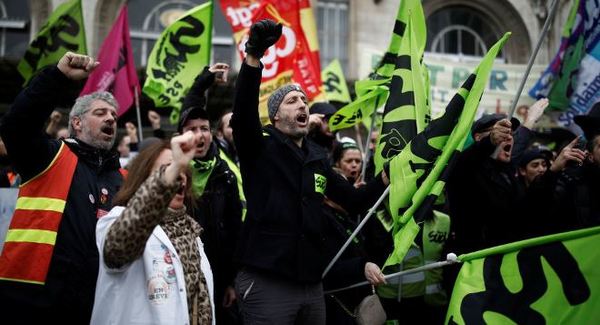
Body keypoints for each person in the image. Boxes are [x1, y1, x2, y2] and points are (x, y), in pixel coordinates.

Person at [231, 19, 389, 324]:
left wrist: (387, 177)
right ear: (276, 116)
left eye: (304, 99)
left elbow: (353, 201)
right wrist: (253, 57)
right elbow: (243, 116)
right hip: (268, 282)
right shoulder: (261, 147)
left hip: (311, 285)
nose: (302, 104)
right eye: (292, 101)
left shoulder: (316, 158)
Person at [0, 52, 125, 323]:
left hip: (97, 303)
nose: (111, 119)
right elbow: (16, 127)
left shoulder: (123, 179)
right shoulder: (48, 156)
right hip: (33, 299)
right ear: (76, 123)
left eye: (114, 115)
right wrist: (57, 77)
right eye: (100, 113)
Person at [91, 133, 215, 324]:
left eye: (182, 169)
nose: (178, 175)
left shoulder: (191, 231)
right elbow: (118, 247)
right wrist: (168, 177)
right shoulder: (119, 220)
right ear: (144, 180)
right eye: (167, 169)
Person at [179, 62, 244, 324]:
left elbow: (233, 231)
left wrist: (231, 281)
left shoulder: (224, 174)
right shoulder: (174, 172)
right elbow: (190, 106)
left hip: (217, 277)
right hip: (181, 278)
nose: (199, 134)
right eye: (191, 129)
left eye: (204, 128)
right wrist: (205, 79)